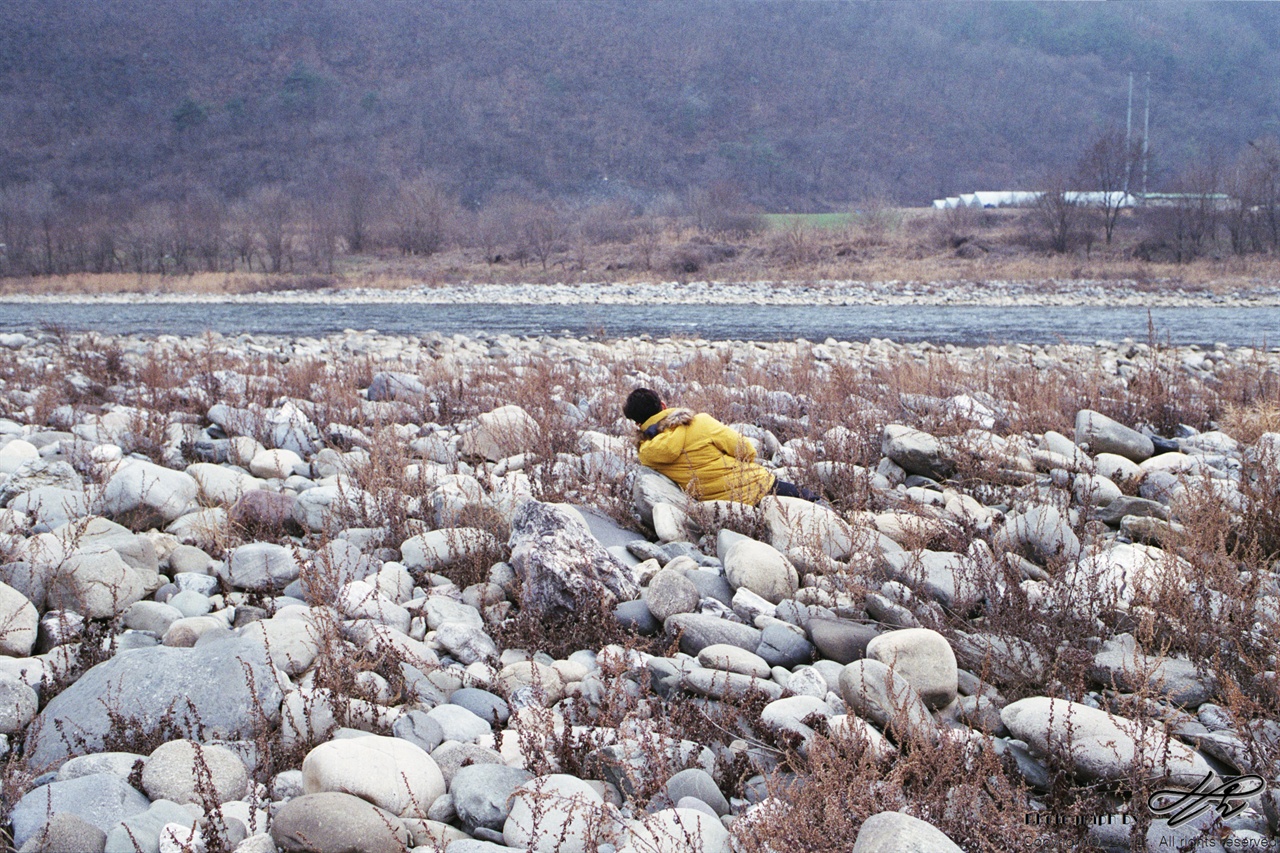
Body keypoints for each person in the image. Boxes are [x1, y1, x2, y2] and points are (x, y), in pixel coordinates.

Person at [623, 387, 822, 505]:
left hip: (714, 506)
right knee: (809, 501)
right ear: (664, 406)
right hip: (758, 486)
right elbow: (746, 450)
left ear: (637, 423)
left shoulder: (646, 453)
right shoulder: (700, 421)